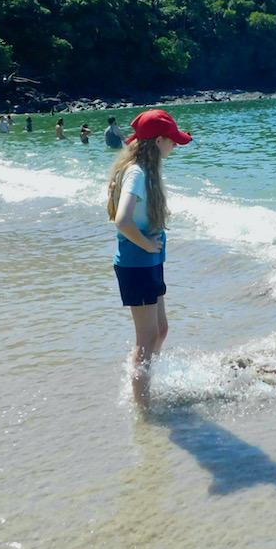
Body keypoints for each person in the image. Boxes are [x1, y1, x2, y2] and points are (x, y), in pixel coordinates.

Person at [106, 109, 192, 408]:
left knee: (161, 330)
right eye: (172, 141)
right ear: (158, 141)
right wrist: (146, 244)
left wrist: (151, 249)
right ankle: (143, 408)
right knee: (147, 337)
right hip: (136, 264)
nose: (176, 146)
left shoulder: (144, 169)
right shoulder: (138, 173)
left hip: (148, 262)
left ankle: (147, 389)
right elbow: (122, 220)